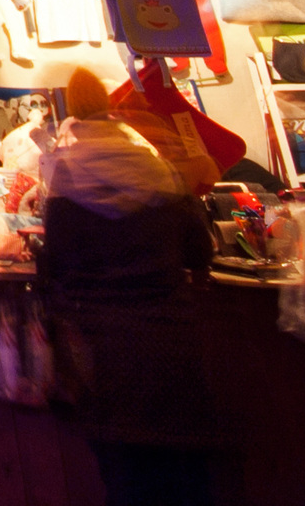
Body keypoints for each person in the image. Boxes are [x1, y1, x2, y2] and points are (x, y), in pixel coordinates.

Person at [37, 69, 218, 506]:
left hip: (102, 352)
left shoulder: (64, 179)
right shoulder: (159, 170)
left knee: (126, 479)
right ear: (116, 115)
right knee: (188, 481)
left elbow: (57, 266)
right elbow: (199, 253)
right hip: (170, 343)